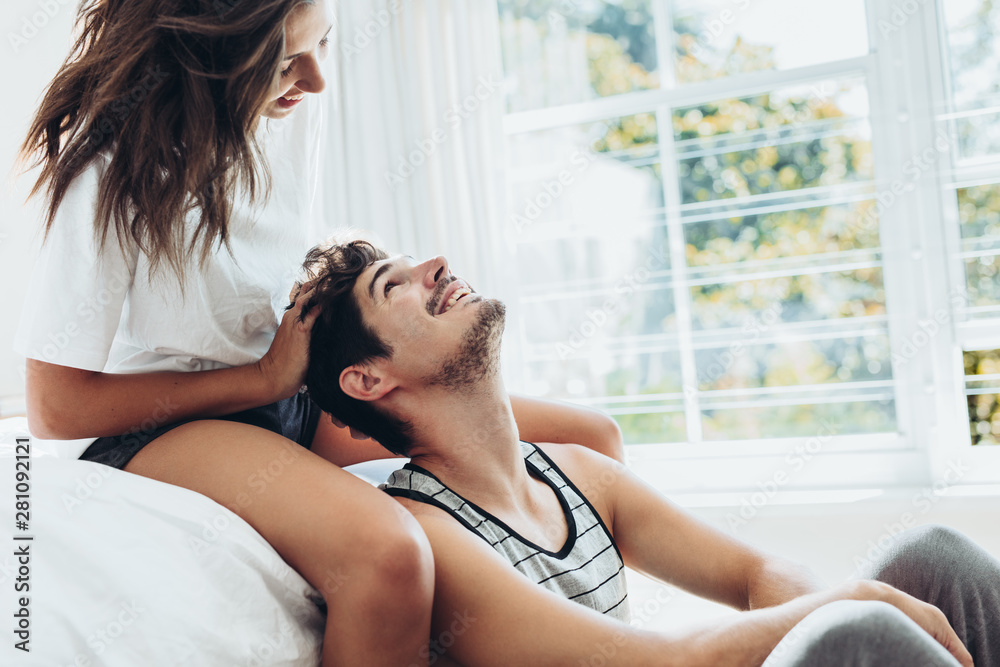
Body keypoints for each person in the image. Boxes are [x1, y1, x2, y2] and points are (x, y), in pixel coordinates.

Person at [12, 2, 625, 665]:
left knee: (589, 438)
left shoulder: (293, 108)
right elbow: (54, 408)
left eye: (324, 45)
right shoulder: (110, 170)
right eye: (283, 62)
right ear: (206, 53)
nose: (315, 81)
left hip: (291, 391)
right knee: (386, 554)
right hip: (165, 428)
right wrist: (258, 379)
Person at [297, 238, 1000, 667]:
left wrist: (839, 601)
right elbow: (659, 658)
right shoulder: (428, 532)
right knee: (856, 632)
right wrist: (849, 602)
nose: (435, 265)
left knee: (933, 557)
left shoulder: (578, 473)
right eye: (396, 286)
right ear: (368, 379)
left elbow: (759, 569)